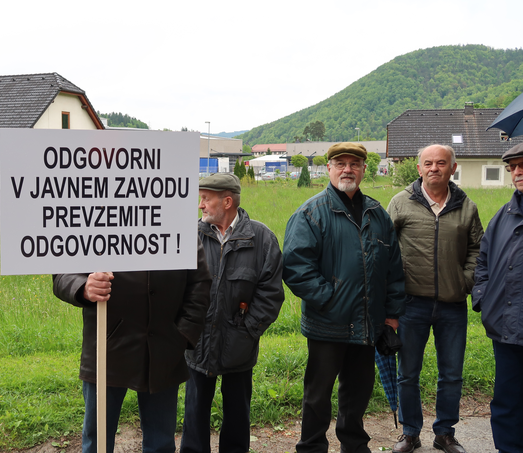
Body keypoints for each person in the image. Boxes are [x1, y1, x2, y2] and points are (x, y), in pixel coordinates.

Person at [282, 142, 405, 453]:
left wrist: (391, 314)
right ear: (329, 169)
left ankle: (353, 445)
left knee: (358, 391)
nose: (347, 169)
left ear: (364, 169)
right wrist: (330, 299)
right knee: (317, 394)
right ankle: (311, 446)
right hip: (328, 323)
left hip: (368, 322)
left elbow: (393, 269)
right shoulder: (311, 213)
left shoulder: (378, 214)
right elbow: (296, 267)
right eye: (340, 163)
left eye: (354, 163)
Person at [52, 244, 211, 453]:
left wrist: (182, 335)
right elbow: (62, 273)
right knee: (97, 440)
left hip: (164, 349)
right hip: (105, 350)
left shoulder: (176, 221)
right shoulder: (95, 216)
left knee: (161, 444)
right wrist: (83, 287)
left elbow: (200, 284)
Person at [387, 144, 483, 453]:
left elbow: (477, 251)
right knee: (407, 374)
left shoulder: (466, 206)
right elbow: (385, 251)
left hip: (452, 305)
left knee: (452, 374)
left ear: (452, 168)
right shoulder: (401, 203)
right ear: (418, 169)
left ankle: (444, 434)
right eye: (427, 163)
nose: (434, 168)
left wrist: (465, 281)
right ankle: (410, 433)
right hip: (411, 304)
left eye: (441, 163)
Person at [180, 174, 284, 453]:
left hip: (239, 346)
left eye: (206, 198)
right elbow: (177, 287)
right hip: (197, 342)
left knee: (238, 415)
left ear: (227, 201)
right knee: (194, 413)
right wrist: (185, 328)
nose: (200, 205)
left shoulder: (261, 239)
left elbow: (271, 293)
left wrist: (247, 331)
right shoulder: (190, 235)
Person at [472, 142, 523, 453]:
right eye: (513, 166)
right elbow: (482, 260)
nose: (518, 172)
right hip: (505, 326)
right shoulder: (503, 215)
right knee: (507, 401)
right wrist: (483, 297)